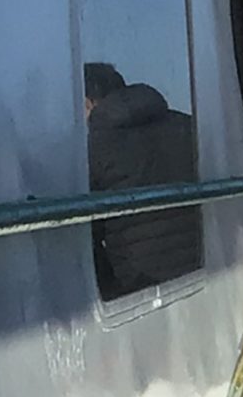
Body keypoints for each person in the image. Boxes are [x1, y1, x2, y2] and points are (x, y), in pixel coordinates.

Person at [84, 61, 203, 297]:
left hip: (141, 286)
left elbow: (88, 237)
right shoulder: (188, 126)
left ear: (89, 103)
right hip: (203, 268)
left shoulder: (94, 149)